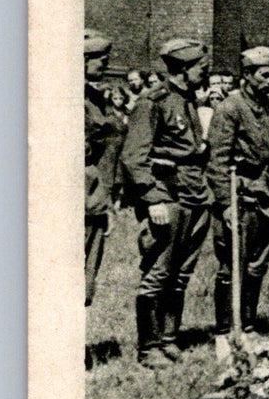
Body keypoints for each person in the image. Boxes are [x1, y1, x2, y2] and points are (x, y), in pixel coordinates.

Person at [118, 37, 212, 366]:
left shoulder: (187, 99)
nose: (207, 71)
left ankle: (169, 338)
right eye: (202, 66)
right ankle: (149, 347)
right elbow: (133, 157)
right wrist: (152, 199)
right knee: (158, 271)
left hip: (195, 194)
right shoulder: (152, 101)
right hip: (168, 196)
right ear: (184, 68)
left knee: (181, 273)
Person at [207, 46, 269, 334]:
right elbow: (217, 161)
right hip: (239, 195)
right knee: (233, 265)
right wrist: (225, 203)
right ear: (247, 75)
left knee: (257, 266)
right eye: (265, 75)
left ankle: (248, 322)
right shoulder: (230, 107)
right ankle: (226, 328)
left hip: (267, 194)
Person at [84, 30, 123, 307]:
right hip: (81, 196)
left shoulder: (96, 97)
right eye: (99, 59)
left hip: (95, 197)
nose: (106, 64)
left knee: (87, 272)